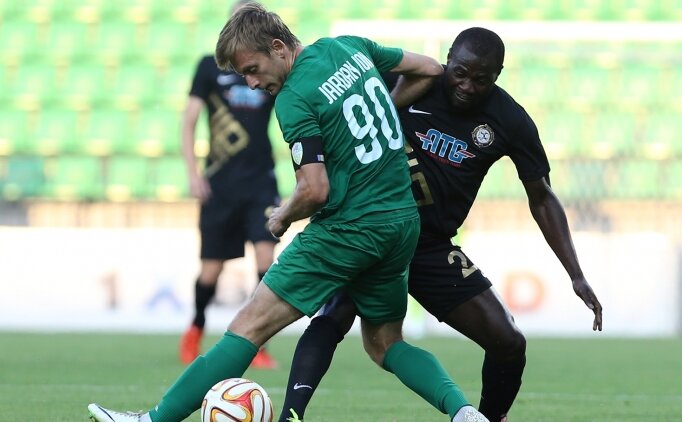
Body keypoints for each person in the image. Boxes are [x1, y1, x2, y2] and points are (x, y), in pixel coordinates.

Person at [87, 4, 489, 422]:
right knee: (385, 343)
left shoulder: (294, 97)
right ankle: (462, 411)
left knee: (249, 325)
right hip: (400, 222)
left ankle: (152, 420)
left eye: (252, 69)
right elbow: (430, 69)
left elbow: (314, 190)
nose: (251, 82)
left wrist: (282, 216)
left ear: (278, 48)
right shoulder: (347, 47)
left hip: (349, 228)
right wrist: (383, 107)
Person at [277, 27, 604, 422]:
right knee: (334, 315)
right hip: (372, 227)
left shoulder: (510, 120)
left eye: (481, 79)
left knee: (508, 342)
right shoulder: (407, 84)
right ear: (448, 58)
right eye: (460, 72)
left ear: (498, 75)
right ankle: (291, 416)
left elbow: (542, 197)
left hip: (430, 246)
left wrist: (576, 274)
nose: (466, 86)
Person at [177, 0, 280, 369]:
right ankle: (195, 328)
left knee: (267, 260)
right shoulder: (210, 67)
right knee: (211, 270)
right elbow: (189, 121)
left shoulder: (269, 69)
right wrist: (194, 173)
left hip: (261, 181)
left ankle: (257, 341)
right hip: (220, 184)